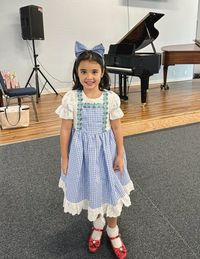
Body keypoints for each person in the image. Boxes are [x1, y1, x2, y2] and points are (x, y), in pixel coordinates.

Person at [56, 41, 134, 259]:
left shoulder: (111, 98)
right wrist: (65, 157)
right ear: (76, 73)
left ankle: (113, 229)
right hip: (83, 156)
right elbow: (64, 130)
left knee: (111, 190)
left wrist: (120, 154)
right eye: (83, 71)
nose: (88, 76)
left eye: (94, 71)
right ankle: (98, 224)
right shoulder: (71, 98)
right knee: (92, 189)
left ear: (102, 73)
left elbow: (117, 128)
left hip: (107, 154)